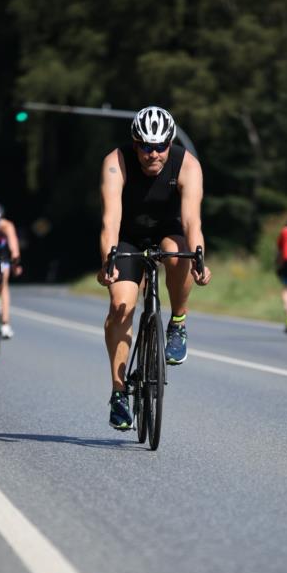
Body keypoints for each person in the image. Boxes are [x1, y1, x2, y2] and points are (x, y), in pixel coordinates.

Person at [97, 105, 211, 430]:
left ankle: (178, 321)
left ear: (170, 143)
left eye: (160, 146)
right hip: (127, 237)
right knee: (121, 307)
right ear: (135, 144)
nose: (153, 154)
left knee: (178, 254)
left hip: (169, 231)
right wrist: (109, 259)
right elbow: (110, 220)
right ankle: (119, 394)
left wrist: (200, 257)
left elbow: (192, 221)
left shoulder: (187, 165)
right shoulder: (115, 163)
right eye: (145, 146)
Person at [0, 202, 23, 339]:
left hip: (1, 252)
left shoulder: (7, 226)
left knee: (4, 282)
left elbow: (14, 247)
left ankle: (5, 323)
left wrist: (15, 262)